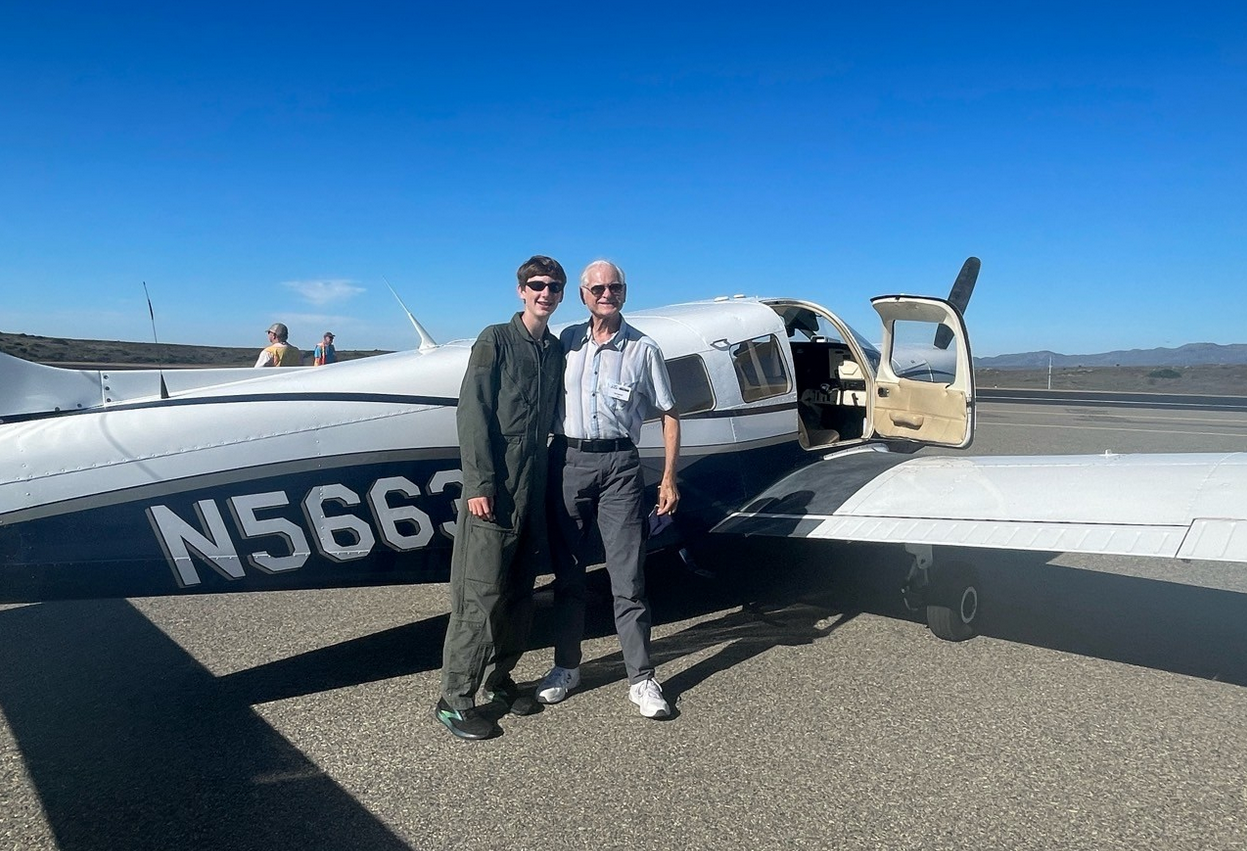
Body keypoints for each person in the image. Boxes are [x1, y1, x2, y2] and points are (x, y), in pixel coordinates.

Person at [537, 259, 681, 719]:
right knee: (568, 574)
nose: (606, 294)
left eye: (614, 287)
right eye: (597, 288)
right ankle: (566, 667)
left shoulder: (644, 348)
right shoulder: (565, 342)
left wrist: (668, 477)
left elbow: (669, 413)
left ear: (624, 292)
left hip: (620, 463)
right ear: (583, 295)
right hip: (568, 460)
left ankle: (641, 678)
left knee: (628, 577)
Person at [435, 255, 567, 740]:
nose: (545, 293)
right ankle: (454, 699)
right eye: (537, 285)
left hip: (532, 488)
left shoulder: (554, 350)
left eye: (554, 287)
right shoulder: (495, 340)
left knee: (519, 593)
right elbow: (473, 414)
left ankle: (500, 680)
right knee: (480, 594)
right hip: (496, 490)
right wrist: (480, 484)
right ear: (521, 290)